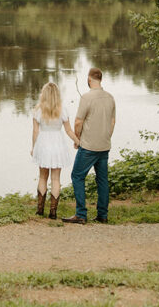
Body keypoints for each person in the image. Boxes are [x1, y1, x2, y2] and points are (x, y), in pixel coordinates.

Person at [62, 66, 116, 224]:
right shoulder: (110, 97)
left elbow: (78, 121)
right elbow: (112, 122)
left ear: (89, 79)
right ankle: (103, 215)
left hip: (88, 146)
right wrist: (106, 136)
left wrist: (77, 139)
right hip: (104, 145)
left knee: (77, 176)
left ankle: (81, 214)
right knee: (102, 180)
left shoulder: (86, 97)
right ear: (101, 79)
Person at [30, 81, 79, 219]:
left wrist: (33, 148)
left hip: (43, 144)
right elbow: (68, 130)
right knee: (56, 178)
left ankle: (40, 210)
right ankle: (53, 212)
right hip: (58, 144)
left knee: (42, 177)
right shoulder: (62, 110)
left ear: (43, 94)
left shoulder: (37, 110)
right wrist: (78, 142)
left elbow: (35, 132)